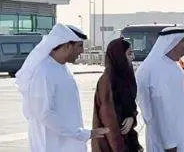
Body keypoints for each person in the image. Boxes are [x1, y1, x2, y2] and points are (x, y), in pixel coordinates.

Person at [16, 24, 109, 152]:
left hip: (69, 142)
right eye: (79, 46)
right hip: (52, 144)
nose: (82, 51)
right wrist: (82, 134)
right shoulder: (44, 72)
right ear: (66, 45)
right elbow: (44, 114)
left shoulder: (63, 68)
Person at [135, 27, 184, 152]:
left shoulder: (173, 65)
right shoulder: (154, 68)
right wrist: (169, 143)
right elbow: (160, 109)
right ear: (172, 43)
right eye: (183, 41)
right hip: (167, 142)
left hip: (182, 135)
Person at [92, 38, 143, 152]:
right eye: (129, 53)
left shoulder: (125, 77)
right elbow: (109, 122)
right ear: (119, 56)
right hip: (110, 144)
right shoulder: (107, 82)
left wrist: (131, 117)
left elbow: (130, 106)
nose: (133, 57)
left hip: (125, 140)